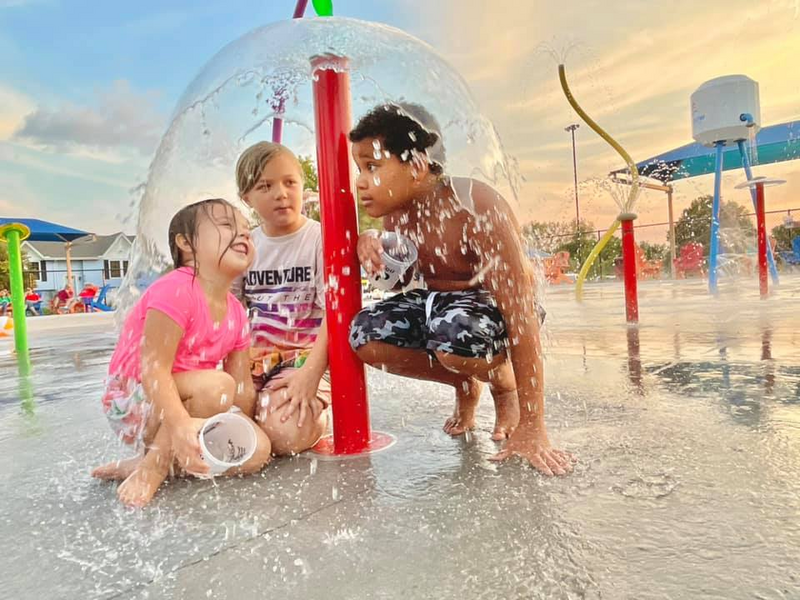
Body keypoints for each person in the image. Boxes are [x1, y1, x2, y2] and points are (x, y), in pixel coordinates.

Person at [348, 103, 571, 476]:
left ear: (417, 165)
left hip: (493, 311)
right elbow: (403, 283)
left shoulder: (476, 207)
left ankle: (503, 385)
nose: (360, 181)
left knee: (455, 334)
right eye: (360, 169)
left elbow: (522, 313)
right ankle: (465, 383)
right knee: (365, 333)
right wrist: (370, 244)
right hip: (444, 309)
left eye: (372, 166)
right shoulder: (396, 214)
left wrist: (534, 426)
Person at [91, 198, 272, 507]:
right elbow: (154, 370)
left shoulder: (237, 312)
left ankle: (145, 461)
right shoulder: (176, 289)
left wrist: (260, 421)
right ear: (186, 243)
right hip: (137, 400)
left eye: (246, 229)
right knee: (217, 387)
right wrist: (180, 423)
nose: (244, 234)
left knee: (256, 451)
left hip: (190, 400)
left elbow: (241, 388)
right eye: (228, 225)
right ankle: (153, 467)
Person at [234, 142, 330, 456]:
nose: (281, 193)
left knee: (284, 435)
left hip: (306, 357)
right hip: (255, 359)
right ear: (246, 197)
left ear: (303, 187)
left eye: (290, 183)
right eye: (266, 186)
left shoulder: (319, 238)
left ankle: (320, 415)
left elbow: (335, 314)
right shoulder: (245, 244)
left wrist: (311, 374)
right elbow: (229, 313)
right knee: (217, 410)